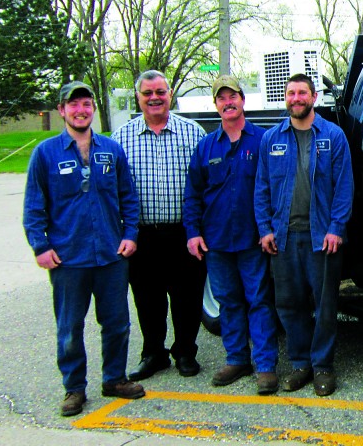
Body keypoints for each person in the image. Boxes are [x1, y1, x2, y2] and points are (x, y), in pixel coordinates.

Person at [23, 81, 146, 416]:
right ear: (62, 110)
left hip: (110, 255)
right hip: (68, 259)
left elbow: (128, 198)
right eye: (73, 104)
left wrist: (130, 234)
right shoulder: (45, 154)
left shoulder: (111, 149)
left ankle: (114, 379)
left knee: (118, 322)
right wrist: (41, 246)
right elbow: (35, 207)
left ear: (93, 109)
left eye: (86, 104)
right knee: (69, 328)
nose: (81, 110)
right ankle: (74, 388)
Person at [254, 73, 353, 397]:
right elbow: (262, 188)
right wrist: (265, 229)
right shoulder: (272, 139)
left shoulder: (333, 136)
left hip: (321, 238)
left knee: (325, 305)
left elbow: (344, 187)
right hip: (283, 239)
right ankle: (300, 364)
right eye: (291, 93)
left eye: (302, 93)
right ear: (286, 98)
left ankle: (323, 367)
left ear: (313, 97)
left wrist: (336, 228)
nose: (296, 98)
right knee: (289, 305)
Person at [183, 75, 278, 395]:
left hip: (253, 240)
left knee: (259, 301)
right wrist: (193, 233)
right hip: (217, 241)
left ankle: (265, 366)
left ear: (243, 100)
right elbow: (192, 194)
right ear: (216, 105)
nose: (228, 102)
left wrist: (268, 229)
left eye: (232, 96)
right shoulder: (206, 146)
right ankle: (237, 359)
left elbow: (273, 189)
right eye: (221, 98)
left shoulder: (263, 140)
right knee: (229, 302)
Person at [111, 69, 207, 381]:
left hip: (184, 233)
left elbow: (205, 185)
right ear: (138, 98)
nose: (154, 98)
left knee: (187, 297)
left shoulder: (193, 133)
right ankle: (153, 353)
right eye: (147, 93)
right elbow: (114, 191)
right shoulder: (121, 139)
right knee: (147, 298)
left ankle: (185, 352)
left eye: (160, 92)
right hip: (142, 236)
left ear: (170, 95)